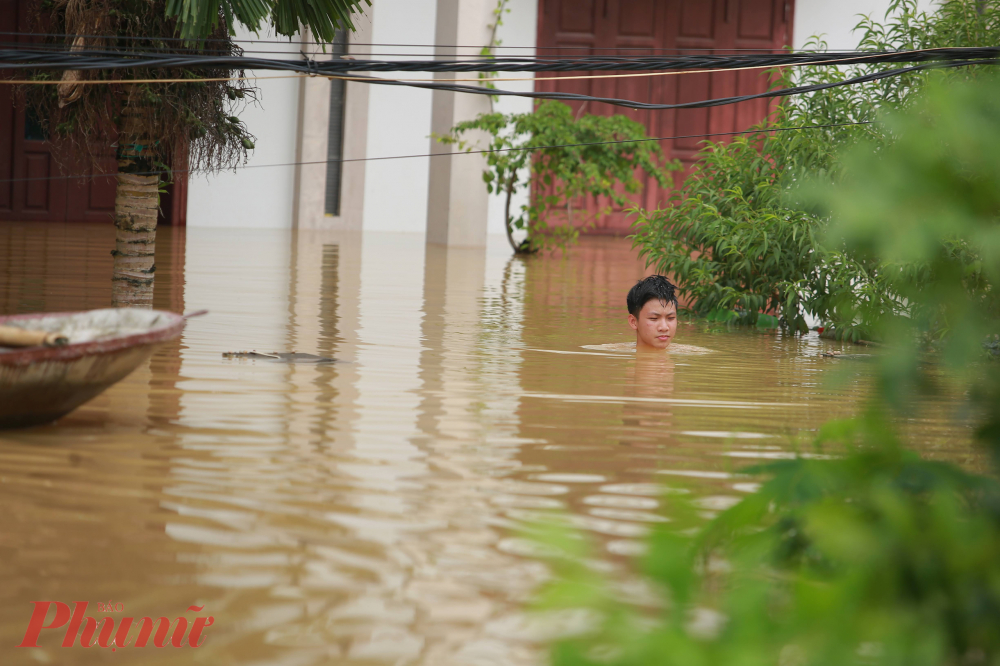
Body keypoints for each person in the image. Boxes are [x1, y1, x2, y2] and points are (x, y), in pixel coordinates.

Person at [626, 275, 678, 352]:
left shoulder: (691, 353)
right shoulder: (613, 354)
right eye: (654, 318)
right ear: (633, 322)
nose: (664, 327)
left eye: (671, 318)